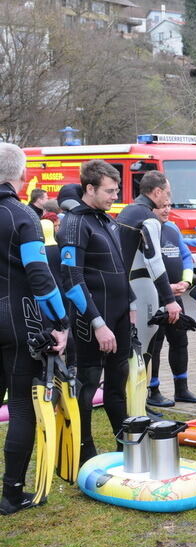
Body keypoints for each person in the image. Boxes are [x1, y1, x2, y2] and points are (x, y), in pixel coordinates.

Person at [0, 143, 69, 515]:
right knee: (22, 407)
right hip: (16, 322)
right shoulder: (22, 215)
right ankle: (12, 494)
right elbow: (40, 276)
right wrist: (60, 322)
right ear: (21, 175)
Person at [58, 161, 134, 462]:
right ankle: (82, 452)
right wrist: (97, 323)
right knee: (87, 387)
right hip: (90, 320)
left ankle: (126, 446)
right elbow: (71, 280)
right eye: (109, 191)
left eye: (116, 190)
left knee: (118, 384)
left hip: (118, 316)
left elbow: (119, 271)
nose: (114, 196)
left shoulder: (105, 219)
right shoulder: (75, 223)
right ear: (89, 189)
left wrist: (130, 306)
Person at [116, 170, 182, 408]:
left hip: (123, 287)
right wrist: (169, 299)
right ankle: (138, 407)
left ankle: (132, 404)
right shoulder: (148, 218)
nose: (168, 198)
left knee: (133, 350)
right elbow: (155, 261)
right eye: (168, 193)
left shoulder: (127, 211)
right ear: (157, 192)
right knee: (141, 351)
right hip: (140, 288)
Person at [146, 195, 196, 404]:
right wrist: (164, 288)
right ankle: (152, 391)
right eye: (161, 207)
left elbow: (187, 257)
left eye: (168, 205)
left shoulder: (172, 229)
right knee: (155, 345)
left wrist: (186, 282)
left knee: (180, 341)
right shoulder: (145, 231)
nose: (166, 210)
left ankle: (182, 389)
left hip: (175, 296)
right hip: (154, 297)